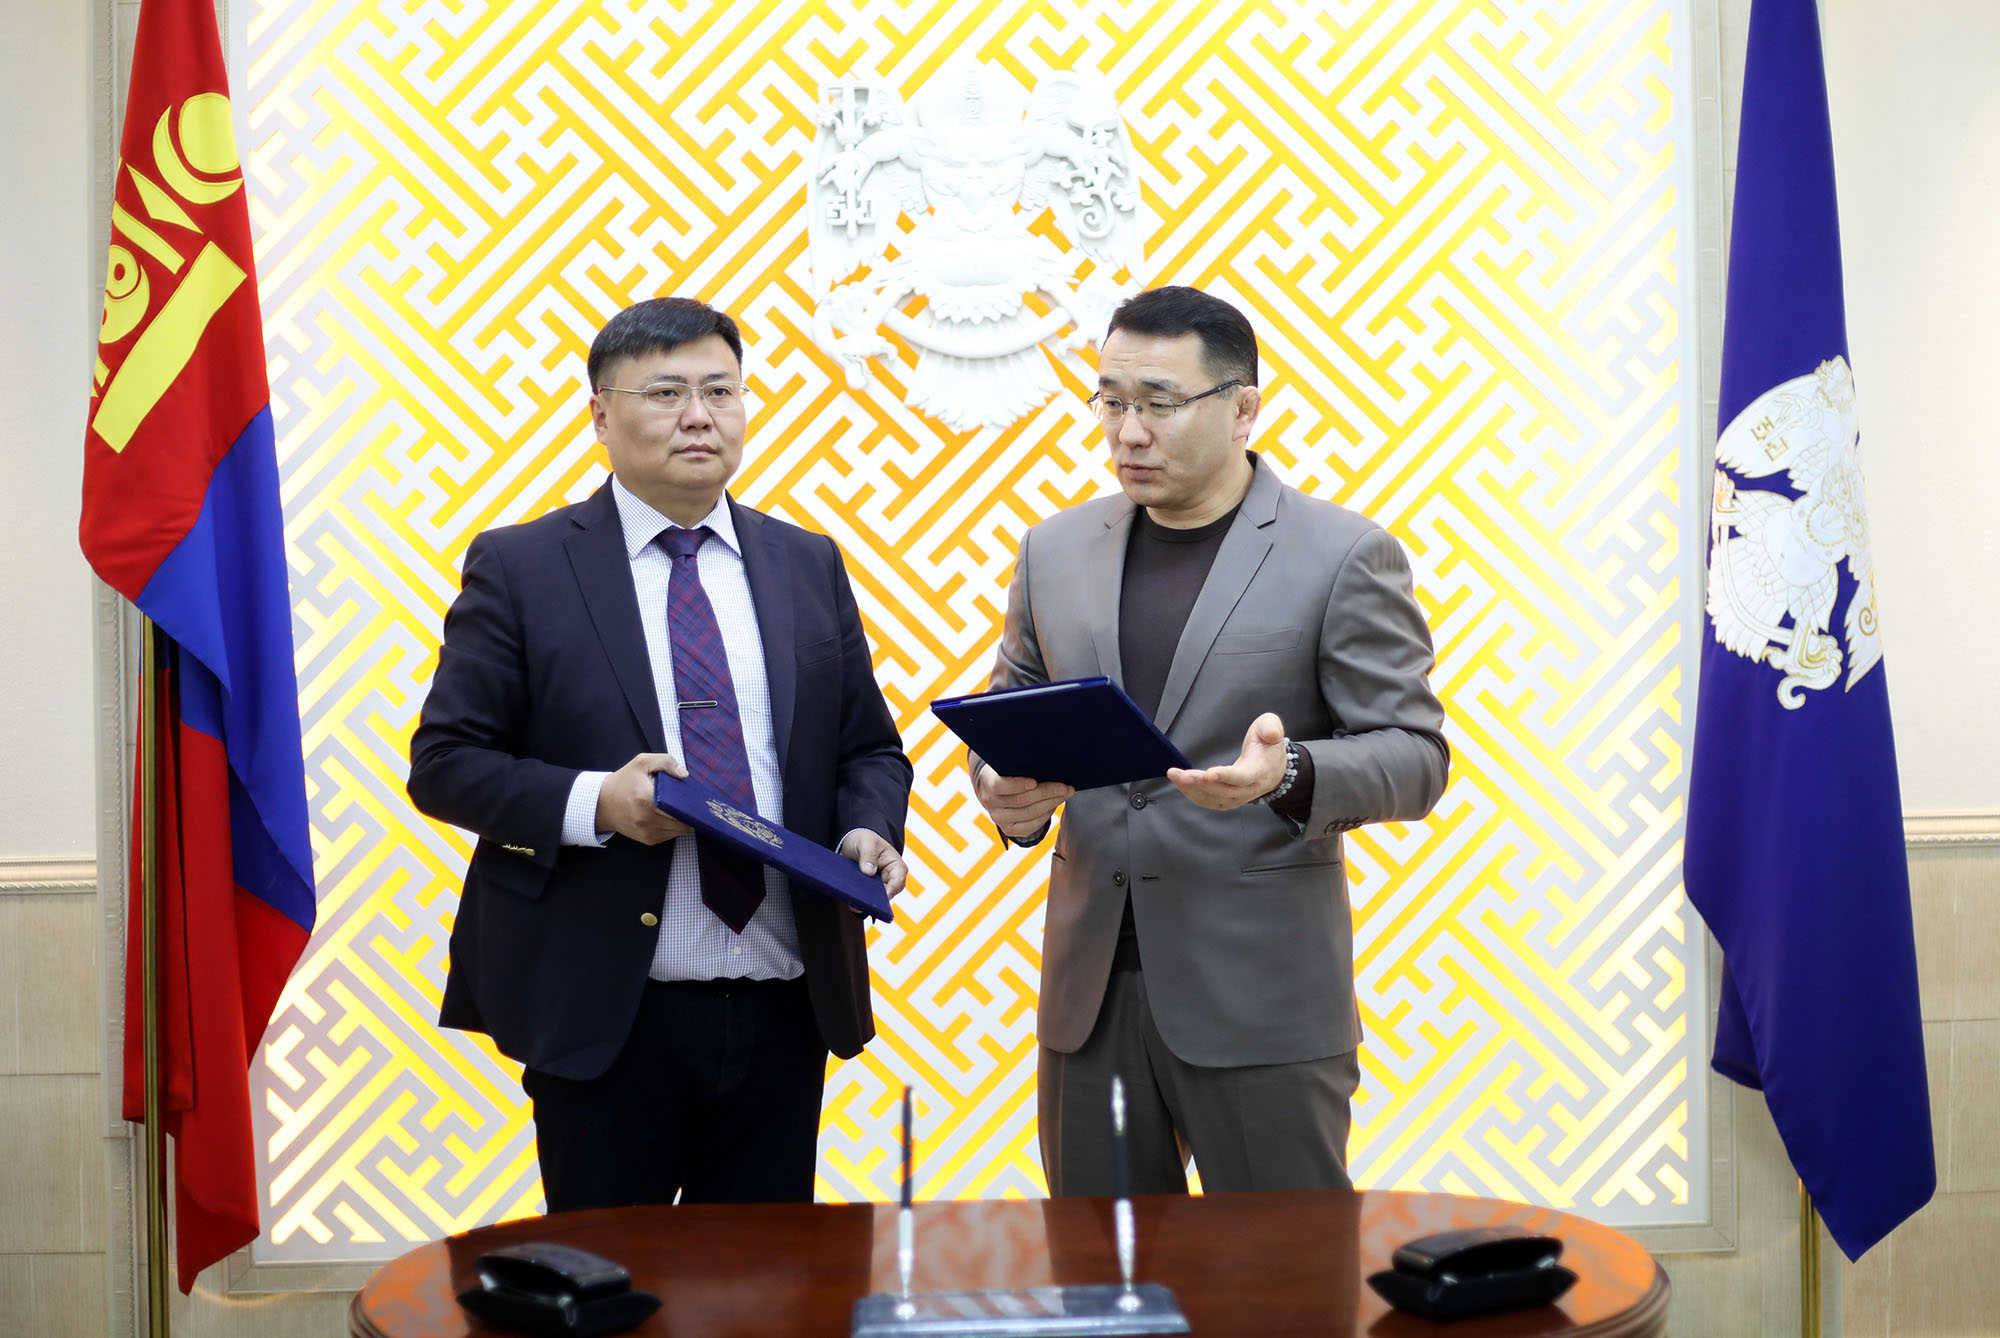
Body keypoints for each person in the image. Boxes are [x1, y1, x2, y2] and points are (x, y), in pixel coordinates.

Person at [408, 296, 912, 1210]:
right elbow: (445, 762)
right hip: (607, 1008)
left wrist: (866, 829)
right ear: (601, 414)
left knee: (765, 1278)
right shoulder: (523, 566)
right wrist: (597, 803)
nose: (699, 416)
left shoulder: (807, 563)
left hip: (784, 999)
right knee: (610, 1275)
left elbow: (867, 748)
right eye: (667, 392)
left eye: (721, 391)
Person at [972, 285, 1448, 1196]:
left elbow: (1416, 757)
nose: (1129, 432)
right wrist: (1002, 787)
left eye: (1159, 403)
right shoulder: (1052, 551)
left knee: (1283, 1270)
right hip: (1089, 998)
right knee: (1100, 1269)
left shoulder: (1343, 554)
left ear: (1242, 409)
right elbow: (1011, 711)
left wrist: (1289, 773)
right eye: (1111, 401)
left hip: (1260, 998)